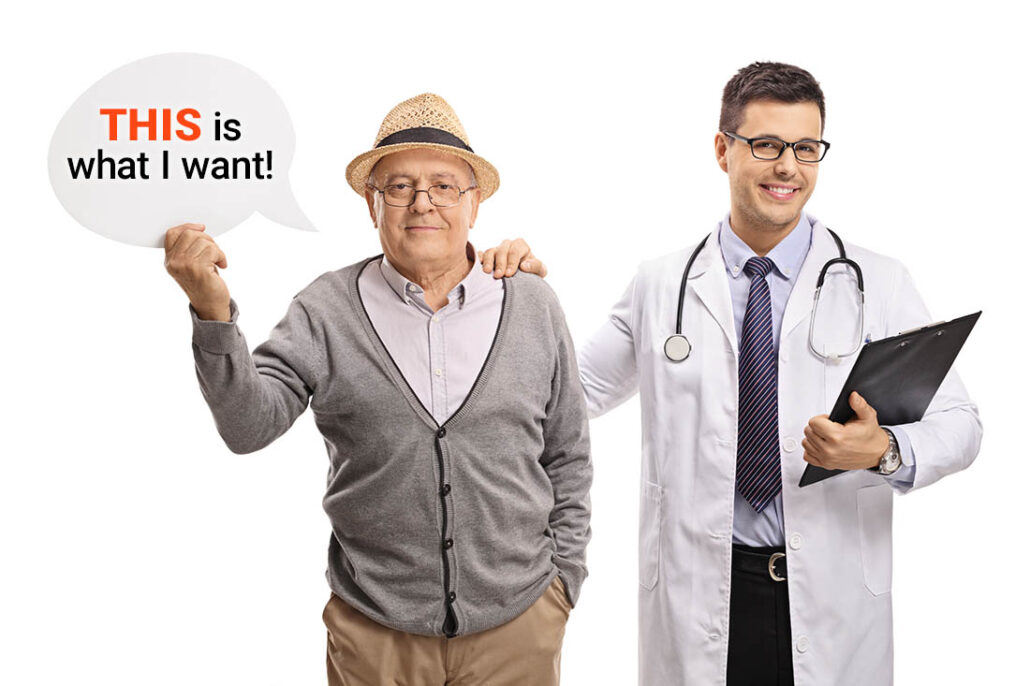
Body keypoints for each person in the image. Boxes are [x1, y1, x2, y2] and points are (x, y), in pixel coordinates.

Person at [482, 62, 982, 685]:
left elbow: (961, 425)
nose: (788, 167)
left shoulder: (877, 282)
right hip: (701, 597)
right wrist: (511, 303)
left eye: (806, 148)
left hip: (830, 600)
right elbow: (566, 398)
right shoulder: (661, 284)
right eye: (767, 145)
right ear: (723, 150)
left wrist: (882, 449)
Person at [163, 93, 591, 686]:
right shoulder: (325, 311)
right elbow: (247, 427)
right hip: (375, 634)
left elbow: (567, 452)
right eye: (399, 187)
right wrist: (212, 313)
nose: (423, 203)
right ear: (373, 205)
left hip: (519, 626)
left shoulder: (532, 303)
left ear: (474, 204)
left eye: (444, 186)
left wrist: (564, 580)